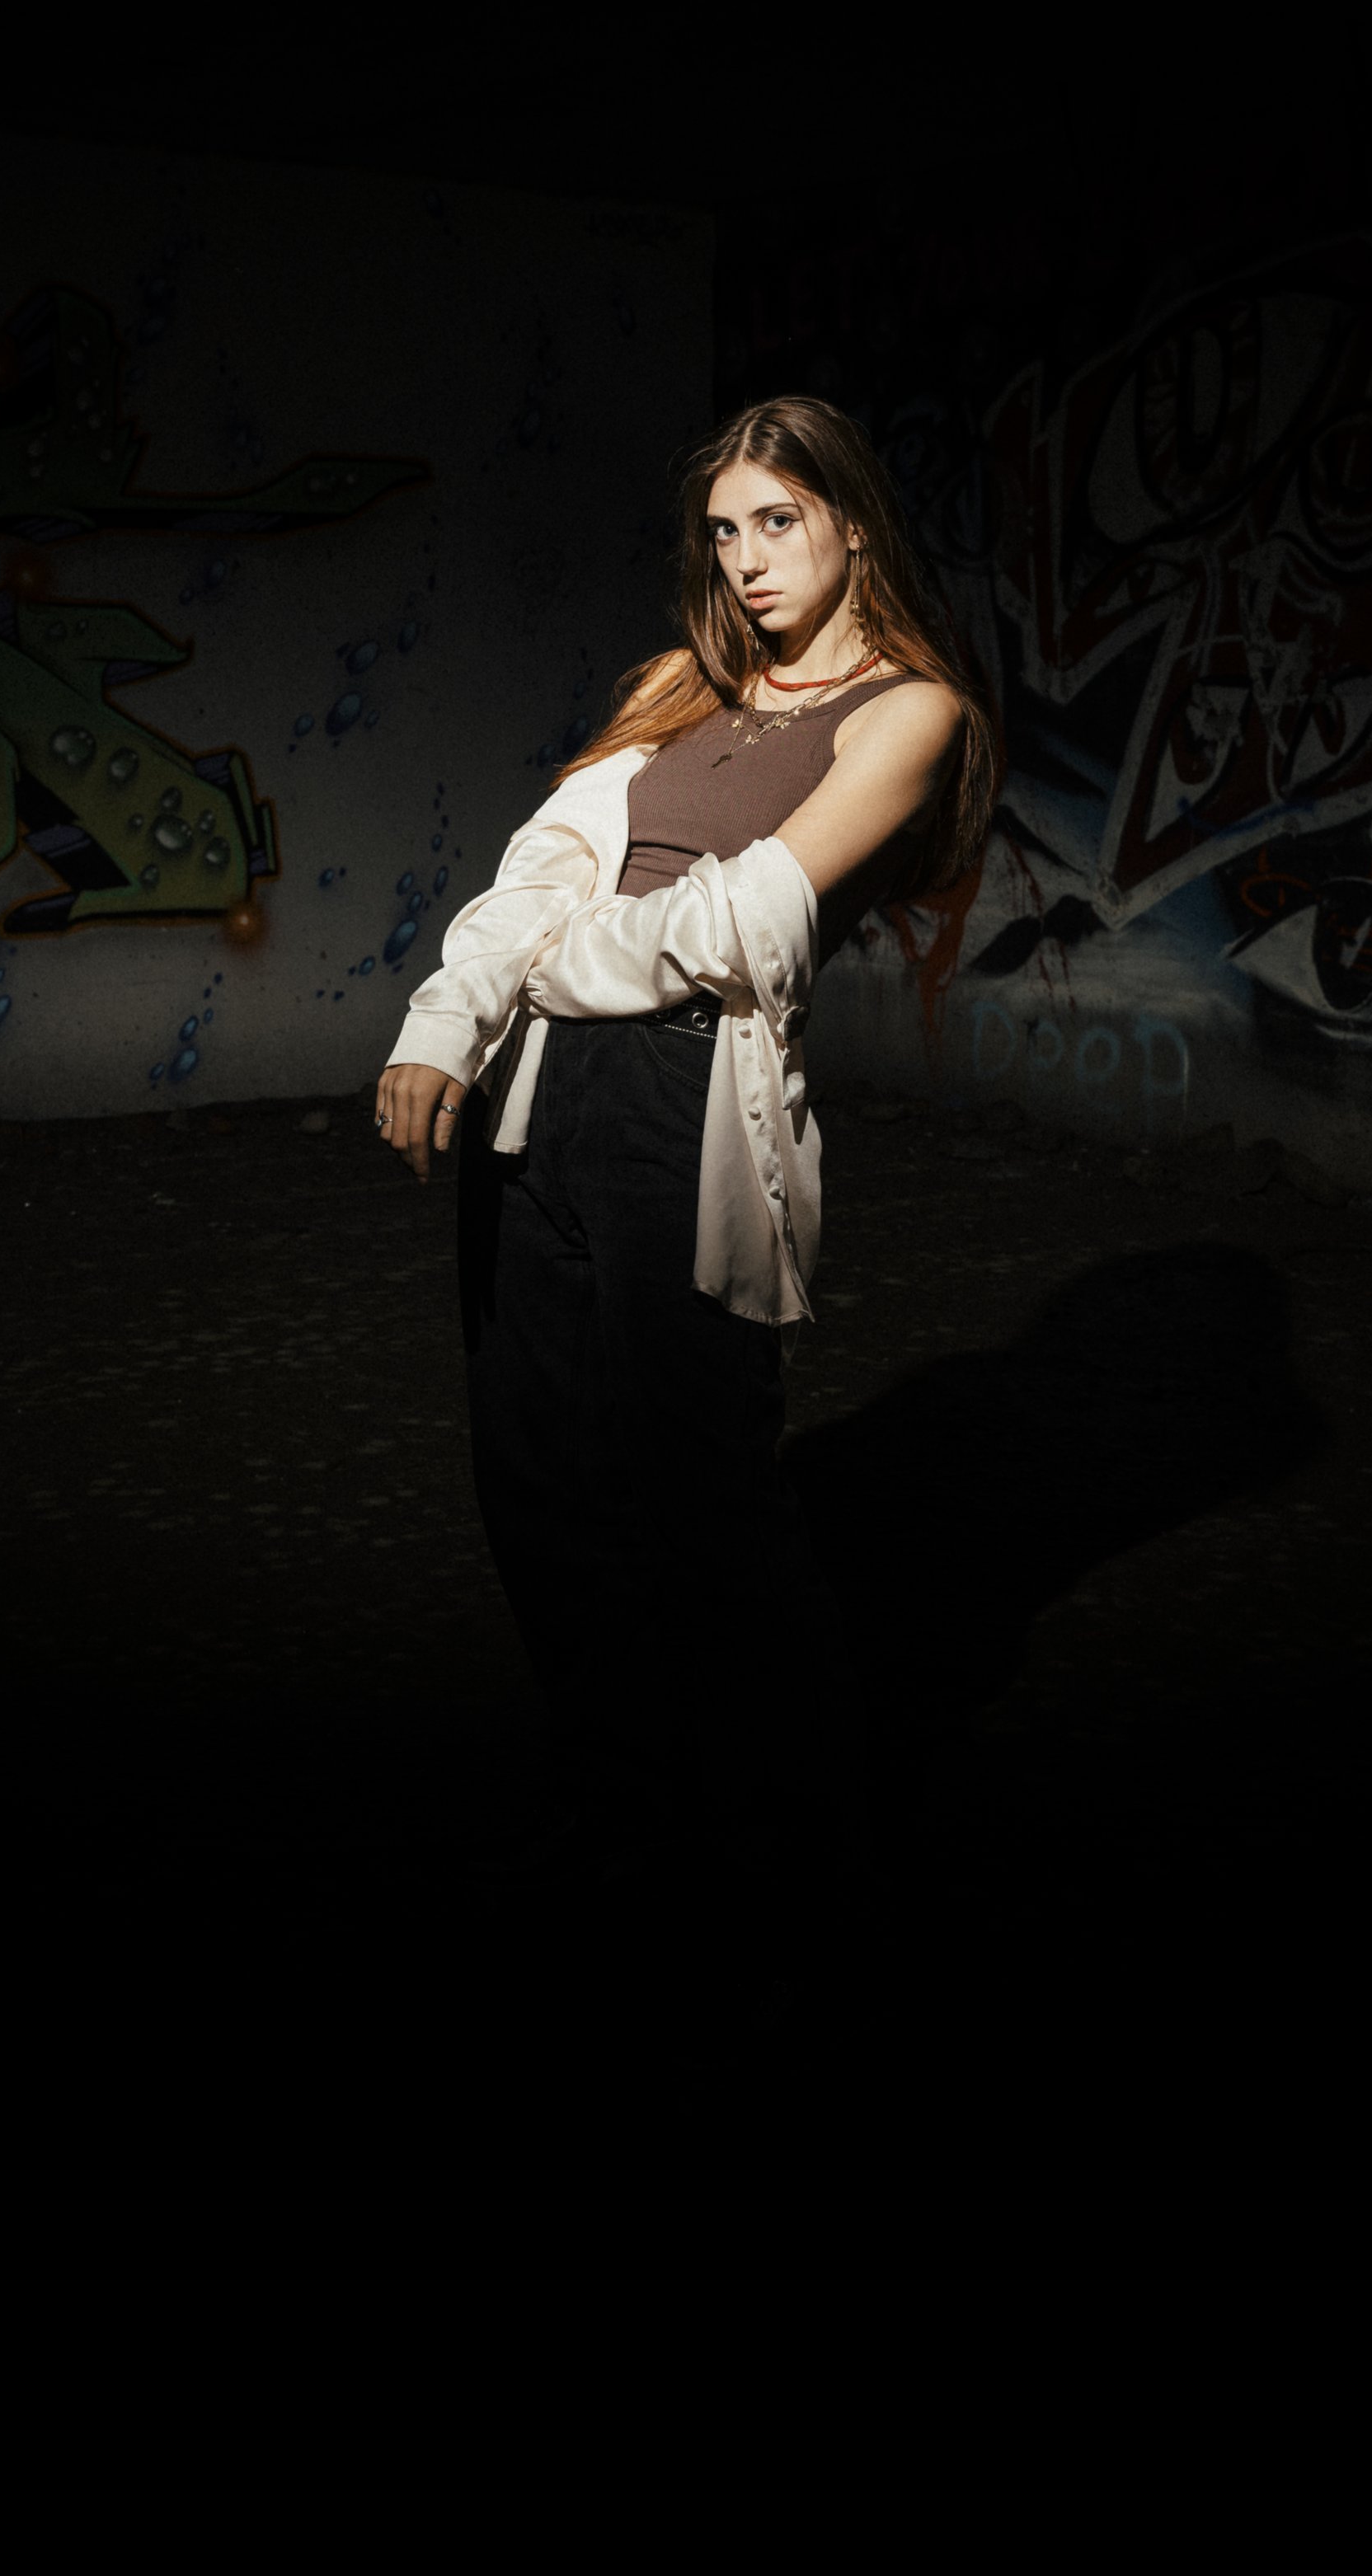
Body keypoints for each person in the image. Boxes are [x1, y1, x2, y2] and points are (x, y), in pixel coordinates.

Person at [373, 396, 996, 1977]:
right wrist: (454, 1014)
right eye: (725, 530)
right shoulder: (680, 687)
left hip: (688, 1106)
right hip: (536, 1104)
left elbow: (746, 924)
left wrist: (540, 970)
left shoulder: (907, 711)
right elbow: (535, 871)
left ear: (852, 521)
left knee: (704, 1496)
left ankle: (796, 1858)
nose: (748, 558)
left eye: (777, 521)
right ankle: (620, 1808)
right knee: (535, 1475)